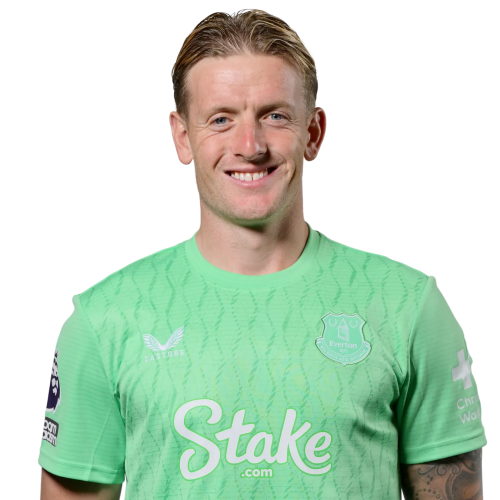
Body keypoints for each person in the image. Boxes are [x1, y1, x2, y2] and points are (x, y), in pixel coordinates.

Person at [38, 8, 486, 500]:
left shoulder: (409, 306)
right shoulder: (104, 318)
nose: (250, 146)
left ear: (313, 133)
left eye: (275, 116)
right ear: (182, 137)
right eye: (221, 119)